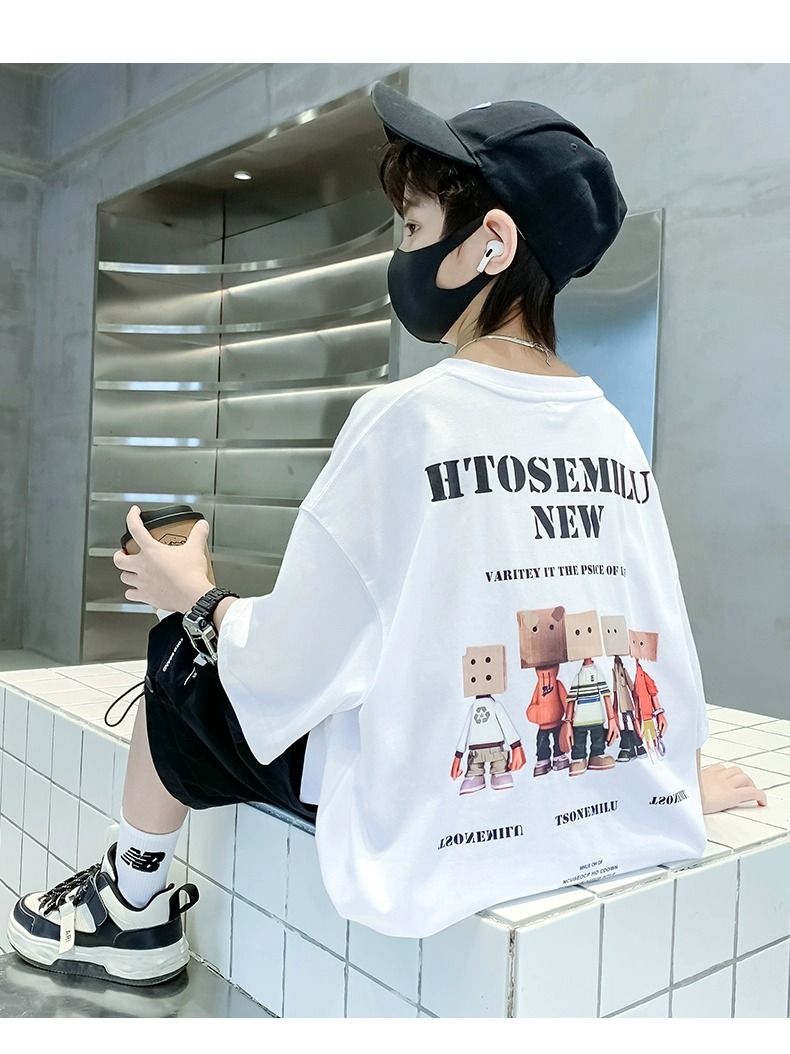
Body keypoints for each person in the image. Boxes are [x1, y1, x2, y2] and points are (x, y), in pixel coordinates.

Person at [7, 82, 767, 986]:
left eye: (412, 227)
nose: (401, 252)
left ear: (491, 243)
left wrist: (197, 595)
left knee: (182, 655)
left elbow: (290, 663)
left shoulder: (408, 418)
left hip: (439, 805)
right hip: (577, 792)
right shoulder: (610, 429)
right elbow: (648, 628)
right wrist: (669, 777)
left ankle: (131, 905)